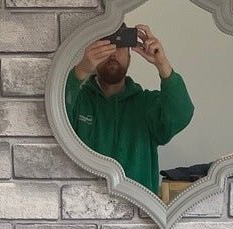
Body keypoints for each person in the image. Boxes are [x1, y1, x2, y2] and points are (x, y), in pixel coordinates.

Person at [64, 24, 194, 197]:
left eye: (120, 46)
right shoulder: (78, 100)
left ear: (130, 58)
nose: (112, 53)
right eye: (106, 45)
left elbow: (181, 114)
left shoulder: (147, 104)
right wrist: (81, 70)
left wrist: (162, 64)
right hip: (84, 212)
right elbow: (51, 116)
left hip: (138, 216)